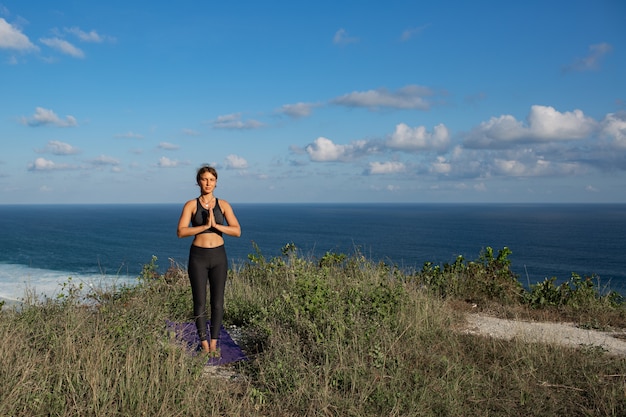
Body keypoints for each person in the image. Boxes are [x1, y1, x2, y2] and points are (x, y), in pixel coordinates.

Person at [177, 165, 241, 356]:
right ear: (198, 182)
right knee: (199, 302)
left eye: (211, 180)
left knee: (218, 302)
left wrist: (216, 225)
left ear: (216, 182)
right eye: (204, 179)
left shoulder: (224, 205)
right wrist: (204, 226)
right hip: (198, 257)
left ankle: (214, 343)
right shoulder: (191, 205)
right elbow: (181, 231)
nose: (208, 183)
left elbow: (237, 231)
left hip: (218, 256)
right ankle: (204, 344)